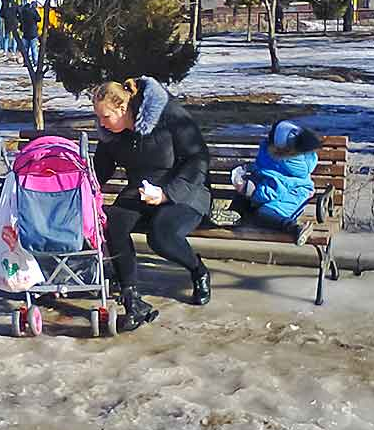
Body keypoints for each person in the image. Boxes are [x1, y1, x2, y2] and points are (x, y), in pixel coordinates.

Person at [93, 76, 212, 332]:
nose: (100, 123)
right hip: (141, 192)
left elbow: (198, 159)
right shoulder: (112, 133)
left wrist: (167, 194)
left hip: (185, 193)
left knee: (161, 234)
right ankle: (131, 298)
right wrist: (85, 192)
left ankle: (198, 270)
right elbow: (99, 169)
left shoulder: (169, 115)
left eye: (105, 117)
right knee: (114, 222)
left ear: (123, 109)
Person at [229, 120, 321, 246]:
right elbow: (264, 170)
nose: (268, 136)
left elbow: (275, 190)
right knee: (241, 200)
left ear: (280, 149)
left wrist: (250, 191)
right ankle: (232, 215)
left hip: (289, 198)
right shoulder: (279, 155)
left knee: (263, 214)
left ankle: (295, 228)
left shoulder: (289, 166)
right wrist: (249, 169)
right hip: (270, 191)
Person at [19, 0, 41, 65]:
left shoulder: (23, 12)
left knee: (26, 50)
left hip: (25, 33)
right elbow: (39, 19)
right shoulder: (33, 11)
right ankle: (35, 62)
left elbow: (20, 20)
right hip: (33, 33)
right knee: (34, 49)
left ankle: (26, 62)